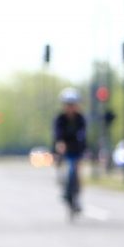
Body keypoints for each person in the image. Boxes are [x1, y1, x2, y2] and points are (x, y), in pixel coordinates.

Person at [52, 87, 87, 216]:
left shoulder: (80, 119)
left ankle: (76, 197)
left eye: (73, 105)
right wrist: (60, 144)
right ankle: (65, 191)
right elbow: (57, 134)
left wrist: (82, 151)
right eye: (68, 105)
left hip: (77, 149)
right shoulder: (60, 119)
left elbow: (83, 136)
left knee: (76, 173)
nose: (70, 107)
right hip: (63, 150)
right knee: (64, 172)